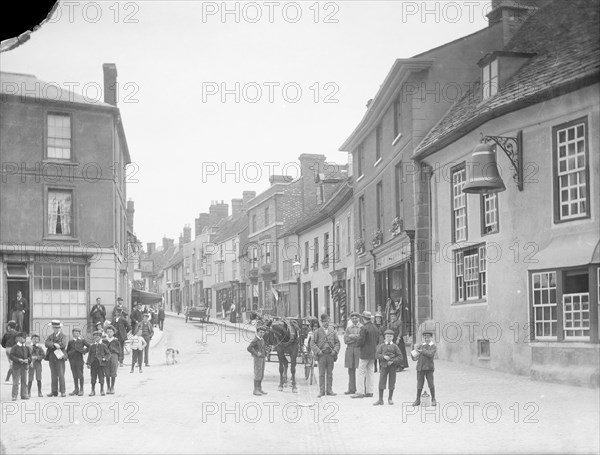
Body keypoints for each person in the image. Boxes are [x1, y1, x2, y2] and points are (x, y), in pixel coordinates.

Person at [310, 313, 341, 398]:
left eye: (327, 321)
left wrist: (335, 351)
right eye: (324, 321)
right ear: (321, 322)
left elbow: (337, 342)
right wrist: (318, 351)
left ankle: (329, 390)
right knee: (321, 374)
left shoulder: (333, 332)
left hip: (330, 355)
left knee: (330, 373)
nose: (326, 323)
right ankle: (322, 391)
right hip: (321, 355)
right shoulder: (317, 331)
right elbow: (312, 343)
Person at [351, 311, 379, 399]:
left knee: (361, 372)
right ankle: (370, 392)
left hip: (364, 353)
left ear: (363, 318)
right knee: (370, 372)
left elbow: (361, 340)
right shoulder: (375, 327)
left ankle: (360, 392)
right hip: (373, 352)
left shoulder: (364, 328)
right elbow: (377, 341)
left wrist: (356, 344)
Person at [373, 329, 403, 406]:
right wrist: (383, 357)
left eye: (390, 336)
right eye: (387, 336)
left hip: (392, 367)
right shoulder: (382, 346)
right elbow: (376, 355)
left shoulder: (395, 346)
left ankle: (390, 399)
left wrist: (393, 361)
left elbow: (400, 357)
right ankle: (380, 399)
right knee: (381, 382)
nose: (389, 338)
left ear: (393, 337)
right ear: (384, 337)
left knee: (392, 382)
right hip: (383, 366)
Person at [412, 330, 437, 406]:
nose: (426, 339)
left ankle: (433, 399)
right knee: (419, 384)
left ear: (431, 338)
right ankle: (417, 399)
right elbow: (414, 357)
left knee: (431, 383)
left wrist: (422, 351)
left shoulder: (433, 346)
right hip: (420, 367)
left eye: (428, 337)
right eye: (425, 337)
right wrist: (414, 354)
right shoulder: (421, 345)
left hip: (429, 368)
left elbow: (430, 354)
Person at [44, 320, 67, 397]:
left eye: (57, 328)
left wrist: (57, 345)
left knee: (61, 374)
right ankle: (54, 391)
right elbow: (46, 343)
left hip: (60, 356)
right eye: (54, 328)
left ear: (60, 328)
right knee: (53, 374)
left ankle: (63, 391)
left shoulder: (63, 336)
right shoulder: (50, 336)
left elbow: (63, 344)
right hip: (51, 356)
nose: (56, 329)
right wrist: (54, 344)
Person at [67, 328, 89, 396]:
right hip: (72, 360)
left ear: (79, 334)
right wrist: (70, 354)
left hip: (79, 359)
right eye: (74, 333)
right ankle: (76, 389)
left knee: (80, 374)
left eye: (77, 333)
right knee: (74, 374)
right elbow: (67, 350)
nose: (75, 334)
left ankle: (81, 389)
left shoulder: (82, 341)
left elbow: (89, 346)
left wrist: (83, 351)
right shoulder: (70, 342)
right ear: (72, 334)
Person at [343, 312, 362, 395]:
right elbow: (345, 340)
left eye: (356, 318)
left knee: (361, 370)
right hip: (350, 350)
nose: (354, 319)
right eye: (353, 318)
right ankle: (351, 388)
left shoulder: (362, 327)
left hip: (359, 349)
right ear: (351, 319)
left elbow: (361, 339)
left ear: (359, 319)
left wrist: (352, 336)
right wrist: (355, 337)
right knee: (351, 370)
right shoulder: (348, 328)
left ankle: (361, 389)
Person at [87, 330, 110, 396]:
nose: (96, 338)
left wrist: (104, 358)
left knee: (101, 376)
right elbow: (90, 355)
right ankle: (93, 390)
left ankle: (102, 390)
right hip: (93, 363)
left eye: (97, 337)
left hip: (101, 363)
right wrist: (88, 363)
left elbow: (108, 354)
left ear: (100, 337)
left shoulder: (103, 345)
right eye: (95, 337)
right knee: (93, 377)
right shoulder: (92, 346)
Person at [247, 325, 268, 396]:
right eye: (260, 332)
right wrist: (256, 353)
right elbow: (249, 348)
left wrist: (267, 351)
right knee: (257, 374)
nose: (262, 334)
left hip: (262, 358)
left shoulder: (262, 339)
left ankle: (259, 388)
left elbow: (263, 348)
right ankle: (255, 390)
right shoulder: (255, 340)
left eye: (263, 333)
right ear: (257, 332)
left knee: (261, 374)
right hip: (257, 359)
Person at [9, 332, 31, 401]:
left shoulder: (26, 347)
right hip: (17, 367)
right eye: (22, 338)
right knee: (15, 382)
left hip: (24, 367)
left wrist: (28, 360)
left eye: (25, 338)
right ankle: (14, 395)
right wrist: (18, 359)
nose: (24, 339)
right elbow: (11, 356)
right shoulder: (14, 347)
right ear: (18, 338)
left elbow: (30, 356)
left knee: (24, 381)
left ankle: (24, 394)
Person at [103, 325, 120, 395]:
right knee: (107, 372)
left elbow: (119, 350)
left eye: (111, 332)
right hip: (106, 357)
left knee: (113, 372)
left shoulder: (116, 341)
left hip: (114, 356)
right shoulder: (104, 341)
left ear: (113, 332)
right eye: (108, 332)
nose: (109, 333)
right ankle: (108, 387)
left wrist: (119, 359)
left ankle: (112, 387)